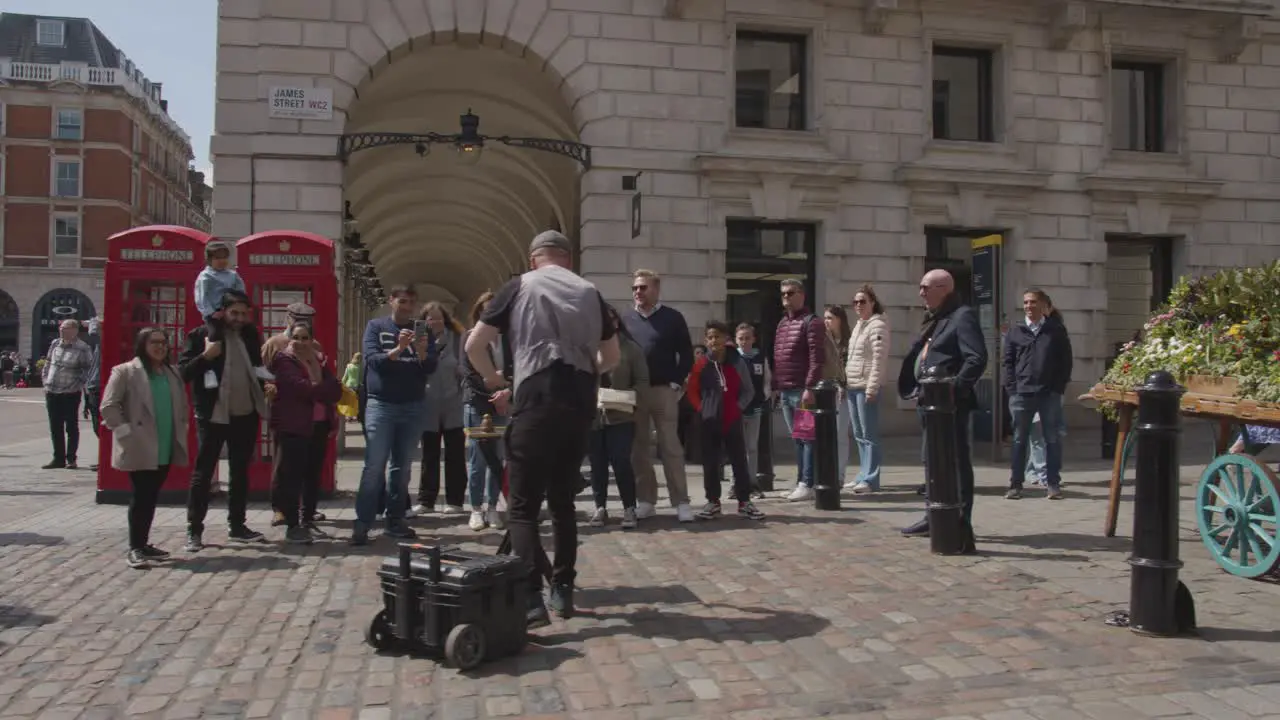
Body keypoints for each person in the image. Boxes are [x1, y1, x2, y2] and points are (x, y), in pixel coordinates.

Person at [465, 230, 619, 628]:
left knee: (523, 506)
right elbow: (612, 355)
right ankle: (563, 589)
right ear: (567, 259)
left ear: (534, 258)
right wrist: (587, 371)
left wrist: (496, 382)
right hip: (579, 401)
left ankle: (531, 595)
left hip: (535, 396)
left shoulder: (520, 285)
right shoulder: (590, 291)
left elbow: (473, 345)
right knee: (563, 501)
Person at [897, 269, 987, 539]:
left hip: (950, 406)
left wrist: (952, 391)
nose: (921, 293)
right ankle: (934, 514)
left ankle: (959, 519)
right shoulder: (939, 318)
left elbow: (976, 358)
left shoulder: (963, 316)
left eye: (926, 287)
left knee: (955, 462)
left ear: (944, 288)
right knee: (932, 461)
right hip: (930, 402)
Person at [178, 290, 270, 551]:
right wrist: (206, 356)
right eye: (234, 313)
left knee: (240, 472)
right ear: (222, 311)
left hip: (246, 412)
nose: (239, 318)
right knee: (203, 472)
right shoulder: (201, 335)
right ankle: (194, 530)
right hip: (213, 414)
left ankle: (237, 526)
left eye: (244, 313)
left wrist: (266, 384)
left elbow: (256, 368)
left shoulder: (251, 336)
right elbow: (183, 372)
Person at [352, 285, 439, 545]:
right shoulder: (376, 327)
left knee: (402, 469)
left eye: (411, 302)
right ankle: (363, 523)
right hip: (382, 404)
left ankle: (395, 519)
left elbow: (429, 366)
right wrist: (399, 348)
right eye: (401, 301)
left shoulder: (422, 329)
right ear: (391, 301)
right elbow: (374, 362)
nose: (406, 306)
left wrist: (421, 350)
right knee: (374, 465)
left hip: (412, 405)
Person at [101, 327, 189, 568]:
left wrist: (184, 427)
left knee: (150, 497)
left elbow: (180, 406)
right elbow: (108, 407)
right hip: (141, 445)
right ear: (142, 345)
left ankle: (143, 543)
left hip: (165, 443)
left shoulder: (171, 373)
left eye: (163, 342)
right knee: (141, 497)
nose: (160, 347)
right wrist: (125, 433)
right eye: (154, 343)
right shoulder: (125, 372)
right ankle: (135, 547)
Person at [623, 269, 694, 523]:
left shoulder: (672, 318)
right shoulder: (627, 319)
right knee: (638, 448)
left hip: (664, 390)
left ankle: (681, 502)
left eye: (643, 287)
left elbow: (686, 354)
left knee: (670, 446)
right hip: (635, 393)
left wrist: (676, 383)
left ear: (656, 289)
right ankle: (646, 500)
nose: (638, 292)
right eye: (635, 288)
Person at [268, 321, 343, 544]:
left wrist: (316, 386)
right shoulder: (284, 360)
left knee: (313, 474)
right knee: (292, 475)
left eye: (305, 338)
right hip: (294, 425)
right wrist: (318, 387)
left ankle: (307, 516)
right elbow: (299, 388)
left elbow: (336, 391)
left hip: (319, 424)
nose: (301, 343)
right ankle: (292, 524)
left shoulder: (320, 360)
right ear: (289, 339)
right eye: (296, 338)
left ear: (312, 340)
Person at [687, 320, 766, 521]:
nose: (714, 341)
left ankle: (744, 501)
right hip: (709, 420)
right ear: (706, 340)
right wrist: (702, 409)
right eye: (710, 337)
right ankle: (713, 501)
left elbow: (748, 390)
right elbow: (692, 391)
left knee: (739, 460)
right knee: (711, 462)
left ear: (726, 339)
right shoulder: (701, 364)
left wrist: (737, 407)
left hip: (732, 419)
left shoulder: (737, 362)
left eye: (718, 336)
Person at [1003, 288, 1073, 501]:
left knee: (1051, 439)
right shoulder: (1016, 331)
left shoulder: (1056, 330)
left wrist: (1058, 387)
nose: (1028, 306)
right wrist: (1012, 388)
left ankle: (1052, 484)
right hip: (1021, 394)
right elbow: (1008, 362)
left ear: (1043, 306)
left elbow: (1065, 361)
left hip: (1048, 393)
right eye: (1025, 302)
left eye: (1033, 302)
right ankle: (1015, 485)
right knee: (1019, 440)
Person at [589, 305, 649, 530]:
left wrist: (625, 399)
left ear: (616, 322)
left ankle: (628, 507)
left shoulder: (631, 349)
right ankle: (600, 507)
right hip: (593, 417)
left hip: (621, 415)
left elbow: (642, 382)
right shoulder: (586, 349)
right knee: (597, 464)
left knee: (621, 461)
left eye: (609, 320)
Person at [460, 292, 513, 532]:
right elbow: (469, 374)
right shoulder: (470, 337)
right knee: (478, 459)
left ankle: (493, 506)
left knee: (498, 458)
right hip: (478, 404)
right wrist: (494, 393)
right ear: (479, 312)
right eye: (486, 310)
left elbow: (517, 368)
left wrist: (507, 392)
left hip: (504, 404)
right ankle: (476, 509)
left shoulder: (509, 339)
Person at [412, 301, 467, 518]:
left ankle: (455, 501)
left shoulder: (457, 340)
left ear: (445, 319)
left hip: (454, 404)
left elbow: (464, 368)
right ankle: (426, 500)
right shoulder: (419, 341)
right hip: (428, 405)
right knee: (429, 454)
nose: (434, 321)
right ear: (423, 321)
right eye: (429, 318)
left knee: (455, 454)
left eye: (438, 317)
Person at [773, 279, 825, 501]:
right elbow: (778, 357)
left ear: (801, 294)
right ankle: (801, 481)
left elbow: (817, 357)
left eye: (790, 293)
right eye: (783, 294)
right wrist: (776, 386)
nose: (786, 297)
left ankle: (808, 482)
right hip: (786, 389)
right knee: (797, 439)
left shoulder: (811, 322)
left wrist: (810, 386)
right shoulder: (782, 324)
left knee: (807, 438)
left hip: (801, 390)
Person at [844, 285, 890, 494]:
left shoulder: (877, 325)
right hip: (853, 385)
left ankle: (871, 479)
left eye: (863, 301)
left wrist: (872, 387)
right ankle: (863, 474)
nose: (859, 305)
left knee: (869, 435)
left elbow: (878, 359)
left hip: (865, 386)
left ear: (872, 302)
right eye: (855, 302)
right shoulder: (859, 325)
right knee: (859, 434)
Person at [196, 242, 266, 372]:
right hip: (214, 314)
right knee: (214, 338)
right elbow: (201, 297)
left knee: (252, 331)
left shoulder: (232, 275)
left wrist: (244, 306)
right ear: (209, 260)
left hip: (232, 309)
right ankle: (209, 371)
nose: (222, 261)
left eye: (224, 257)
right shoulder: (205, 277)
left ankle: (257, 365)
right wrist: (211, 312)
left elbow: (241, 291)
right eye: (217, 258)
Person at [41, 318, 94, 470]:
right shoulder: (55, 344)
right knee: (55, 426)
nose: (62, 330)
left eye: (66, 328)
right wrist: (45, 381)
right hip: (52, 390)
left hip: (70, 392)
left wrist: (77, 384)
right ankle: (58, 458)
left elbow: (87, 369)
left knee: (71, 426)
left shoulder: (82, 347)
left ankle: (71, 458)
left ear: (75, 330)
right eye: (61, 328)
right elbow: (48, 362)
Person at [734, 323, 770, 500]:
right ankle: (737, 483)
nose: (744, 341)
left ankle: (752, 482)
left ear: (753, 339)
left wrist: (765, 397)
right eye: (741, 338)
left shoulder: (760, 357)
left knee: (752, 447)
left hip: (755, 408)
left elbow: (766, 380)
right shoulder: (733, 358)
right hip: (737, 409)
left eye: (747, 338)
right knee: (737, 447)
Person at [823, 304, 852, 486]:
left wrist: (844, 385)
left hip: (844, 392)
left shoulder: (849, 342)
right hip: (826, 390)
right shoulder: (824, 341)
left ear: (839, 320)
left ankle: (840, 474)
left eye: (830, 318)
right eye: (825, 318)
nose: (826, 322)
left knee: (840, 433)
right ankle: (828, 471)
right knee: (827, 434)